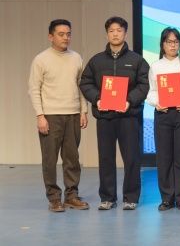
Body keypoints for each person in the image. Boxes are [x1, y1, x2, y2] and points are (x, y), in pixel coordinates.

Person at [79, 16, 150, 211]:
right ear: (107, 34)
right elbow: (85, 82)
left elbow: (145, 84)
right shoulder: (97, 61)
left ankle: (130, 197)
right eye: (111, 31)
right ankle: (108, 197)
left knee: (132, 159)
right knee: (106, 158)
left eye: (119, 30)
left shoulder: (136, 60)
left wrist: (129, 101)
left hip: (129, 116)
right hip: (105, 117)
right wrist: (97, 99)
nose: (115, 34)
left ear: (125, 33)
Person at [28, 19, 90, 212]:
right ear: (51, 36)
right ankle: (54, 198)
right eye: (61, 34)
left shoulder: (76, 58)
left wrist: (83, 110)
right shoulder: (41, 59)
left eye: (68, 34)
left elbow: (81, 87)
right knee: (49, 159)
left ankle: (71, 196)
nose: (66, 38)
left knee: (72, 158)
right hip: (50, 116)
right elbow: (34, 89)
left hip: (73, 114)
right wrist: (40, 115)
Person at [146, 27, 180, 211]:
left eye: (176, 42)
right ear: (162, 44)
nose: (173, 45)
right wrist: (157, 103)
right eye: (169, 42)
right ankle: (167, 198)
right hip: (163, 113)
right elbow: (151, 91)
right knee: (164, 157)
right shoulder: (155, 66)